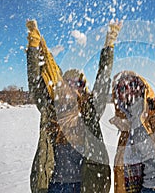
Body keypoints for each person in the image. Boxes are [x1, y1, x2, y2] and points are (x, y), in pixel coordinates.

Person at [26, 19, 122, 193]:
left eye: (77, 83)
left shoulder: (90, 111)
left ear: (83, 88)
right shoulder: (51, 109)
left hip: (85, 185)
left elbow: (103, 78)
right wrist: (33, 45)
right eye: (68, 82)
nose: (72, 86)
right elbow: (35, 82)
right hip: (53, 185)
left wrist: (109, 44)